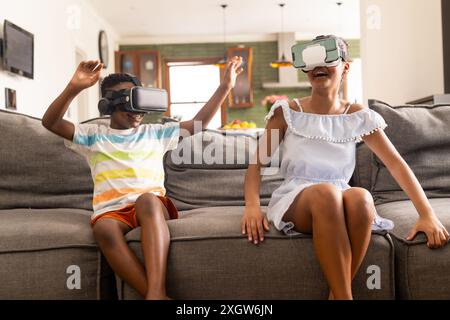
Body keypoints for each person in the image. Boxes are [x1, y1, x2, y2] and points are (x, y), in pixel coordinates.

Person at [241, 35, 449, 300]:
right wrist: (251, 206)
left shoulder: (357, 115)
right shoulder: (286, 112)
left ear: (345, 67)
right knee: (326, 193)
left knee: (361, 197)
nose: (320, 66)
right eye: (313, 61)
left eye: (329, 59)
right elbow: (256, 164)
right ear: (305, 68)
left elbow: (396, 164)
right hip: (299, 197)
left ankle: (338, 295)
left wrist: (427, 214)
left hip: (339, 194)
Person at [42, 57, 243, 299]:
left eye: (139, 101)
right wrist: (74, 87)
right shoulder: (93, 136)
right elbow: (50, 122)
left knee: (147, 200)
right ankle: (153, 296)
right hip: (112, 211)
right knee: (103, 229)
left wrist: (225, 87)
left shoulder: (155, 133)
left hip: (152, 207)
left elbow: (196, 126)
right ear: (107, 106)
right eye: (127, 102)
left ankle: (157, 290)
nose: (136, 111)